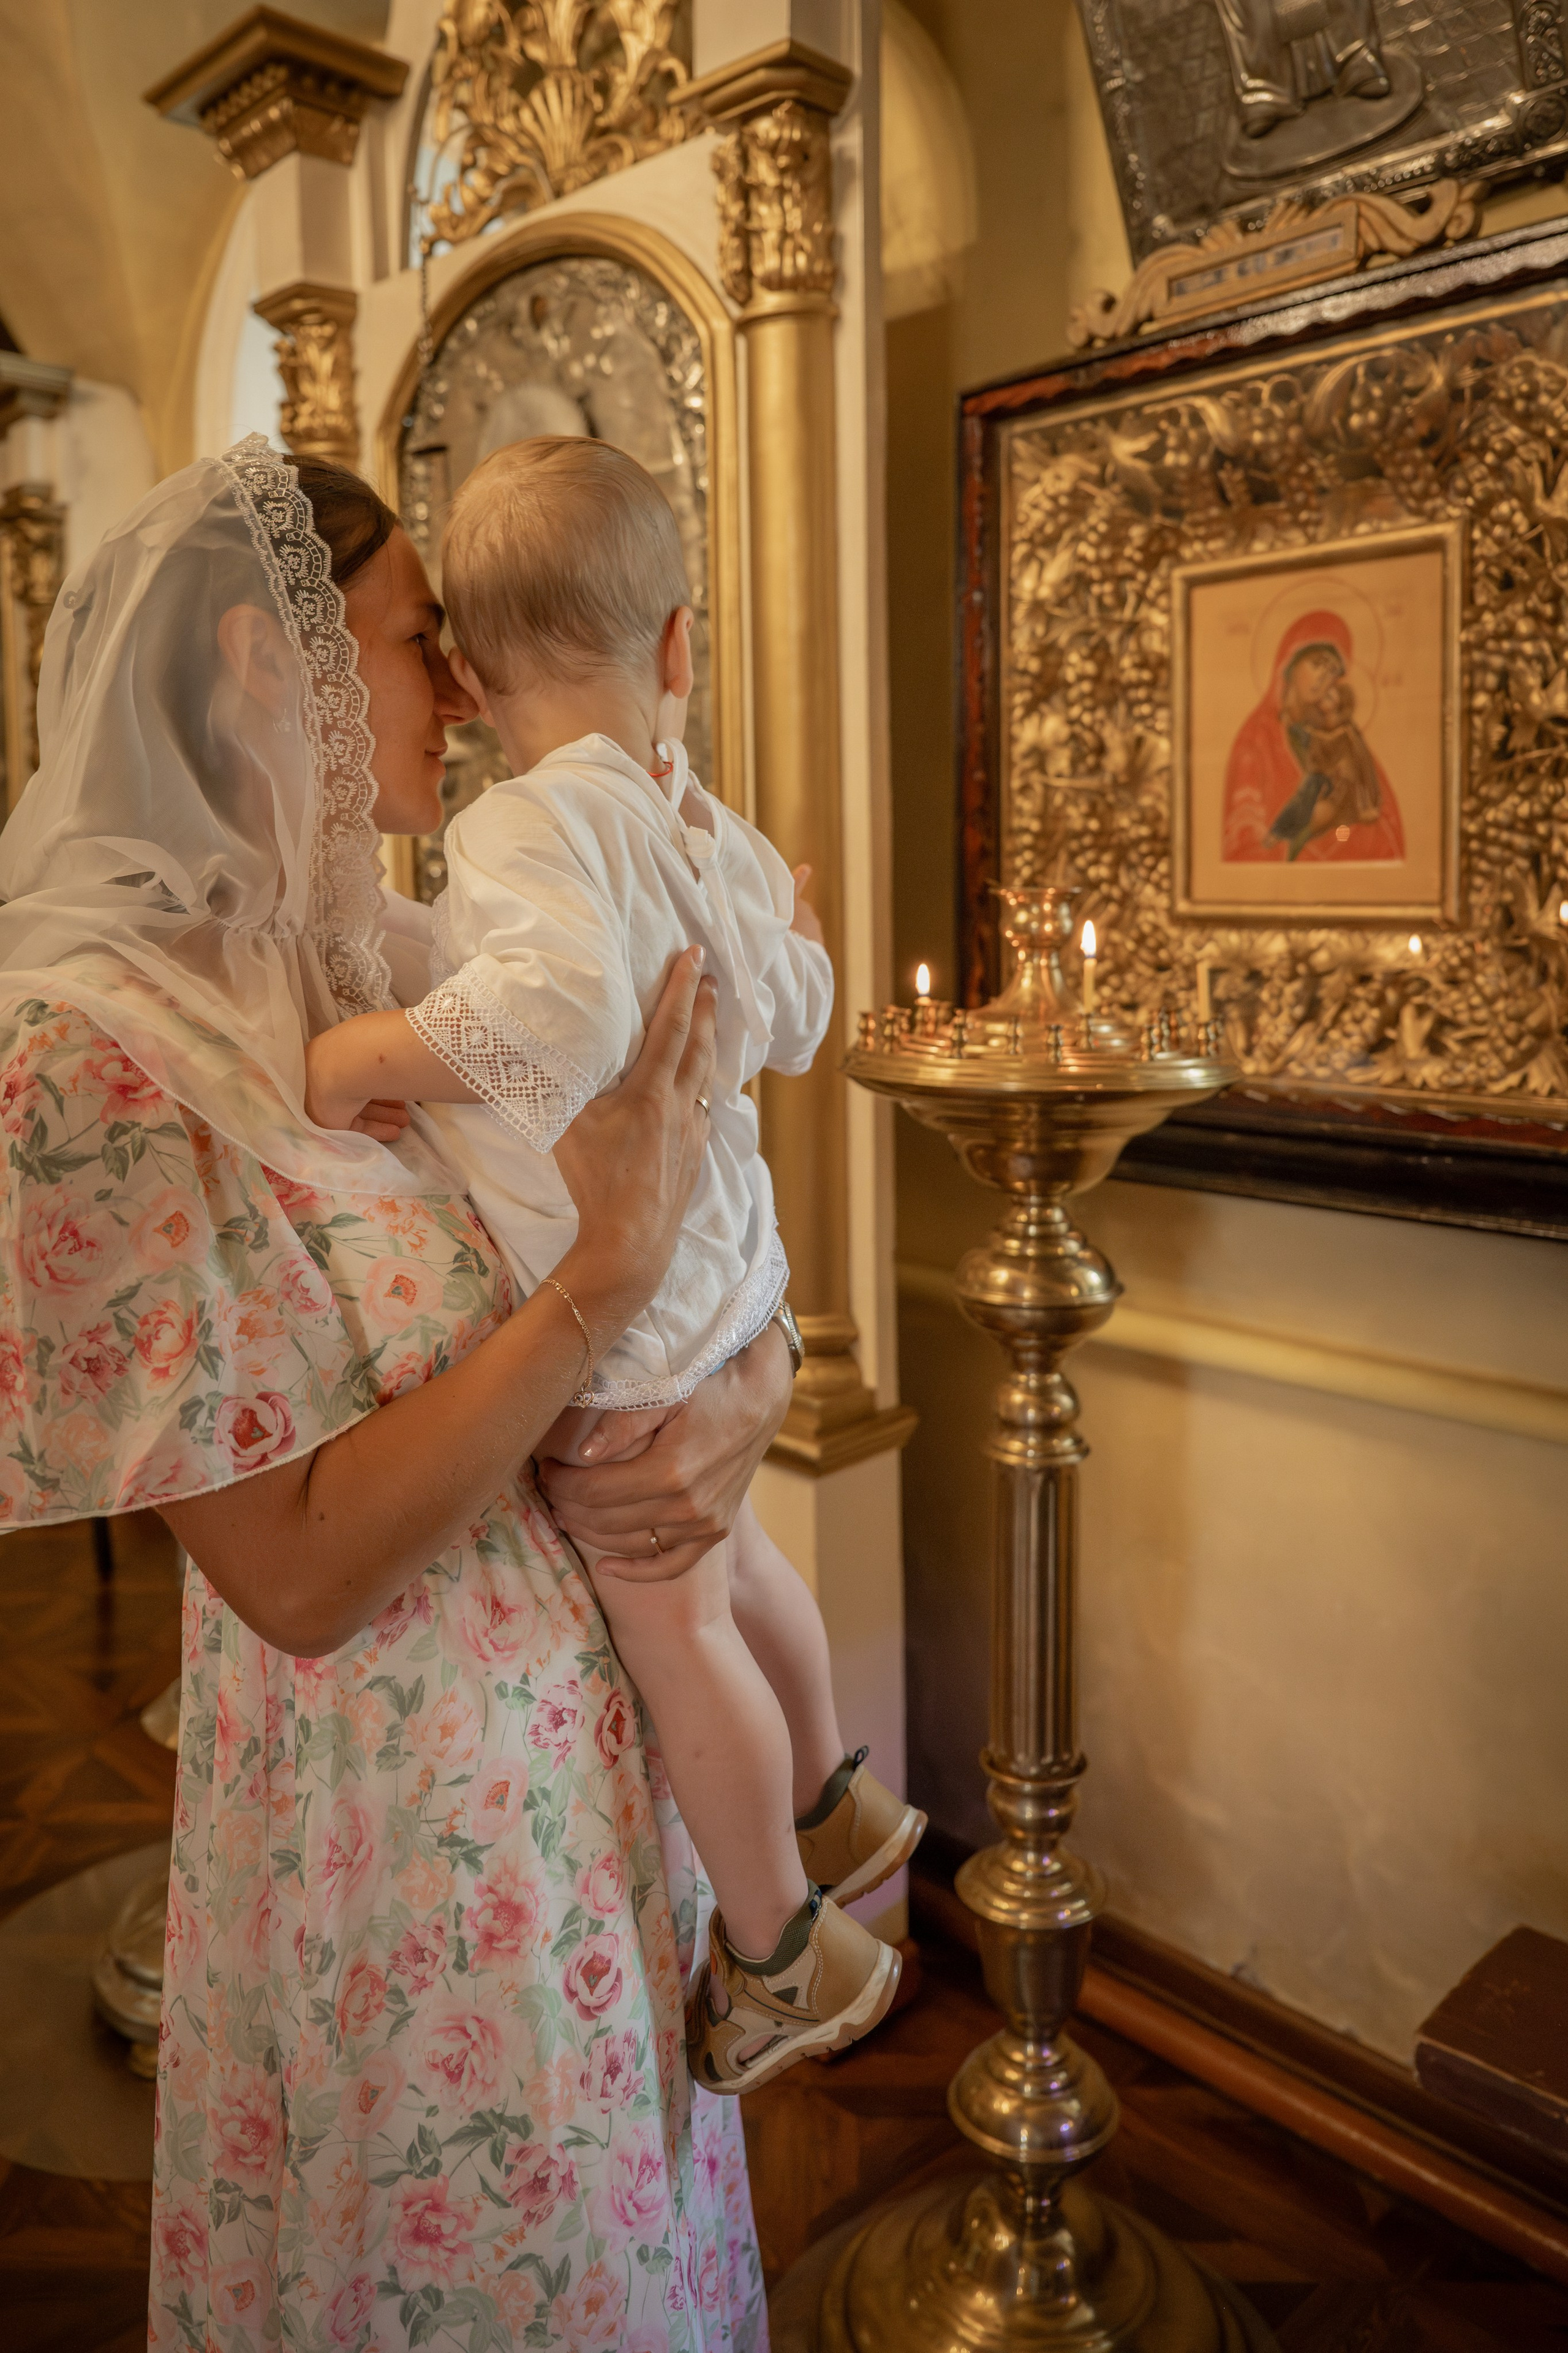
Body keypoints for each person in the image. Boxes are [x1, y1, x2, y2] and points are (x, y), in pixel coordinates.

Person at [0, 437, 791, 2349]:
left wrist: (741, 1391)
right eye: (417, 636)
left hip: (604, 1751)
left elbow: (691, 1201)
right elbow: (293, 1572)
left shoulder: (390, 958)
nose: (464, 686)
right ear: (260, 658)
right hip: (404, 1816)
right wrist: (599, 1285)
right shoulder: (82, 1061)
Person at [304, 436, 925, 2095]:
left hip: (634, 1302)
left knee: (673, 1612)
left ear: (474, 673)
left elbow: (554, 1014)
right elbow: (800, 1011)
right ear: (676, 647)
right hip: (728, 1258)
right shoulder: (693, 818)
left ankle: (786, 1944)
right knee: (737, 1557)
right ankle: (832, 1794)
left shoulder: (517, 832)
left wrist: (370, 1046)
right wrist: (771, 941)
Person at [1221, 610, 1404, 866]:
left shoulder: (1343, 734)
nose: (1324, 677)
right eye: (1317, 664)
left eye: (1332, 671)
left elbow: (1380, 816)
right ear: (1289, 664)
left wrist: (1338, 834)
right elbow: (1245, 842)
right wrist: (1305, 838)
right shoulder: (1256, 739)